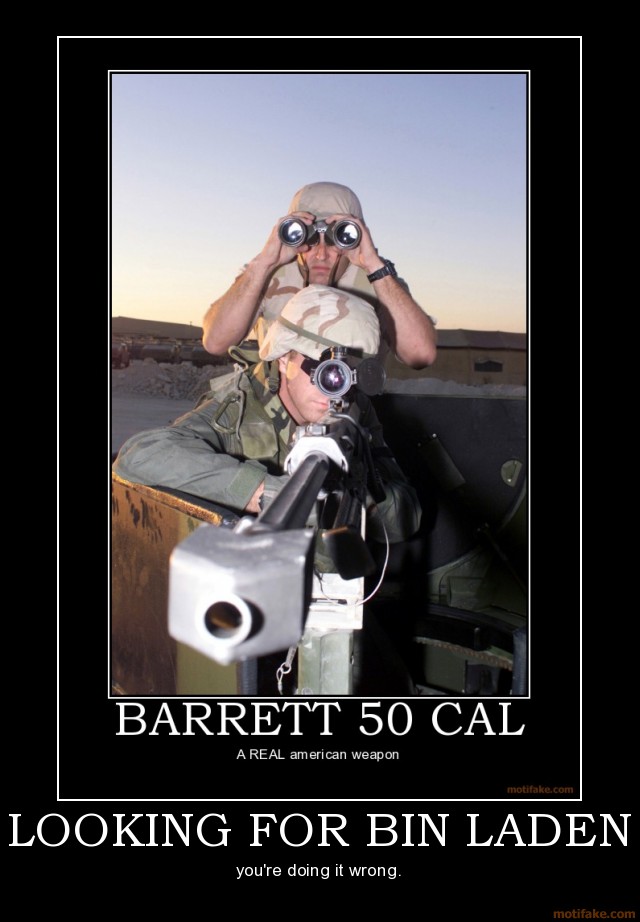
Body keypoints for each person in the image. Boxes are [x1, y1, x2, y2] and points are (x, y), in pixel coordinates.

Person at [113, 285, 421, 546]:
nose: (336, 391)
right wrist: (267, 493)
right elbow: (141, 455)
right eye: (325, 372)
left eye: (349, 375)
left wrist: (361, 494)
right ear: (285, 359)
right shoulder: (242, 403)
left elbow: (406, 521)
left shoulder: (356, 410)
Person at [202, 181, 437, 370]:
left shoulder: (380, 282)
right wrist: (262, 264)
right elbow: (216, 342)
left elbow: (420, 355)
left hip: (349, 406)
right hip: (274, 404)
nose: (321, 254)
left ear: (356, 237)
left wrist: (376, 268)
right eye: (311, 239)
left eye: (335, 240)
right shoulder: (268, 275)